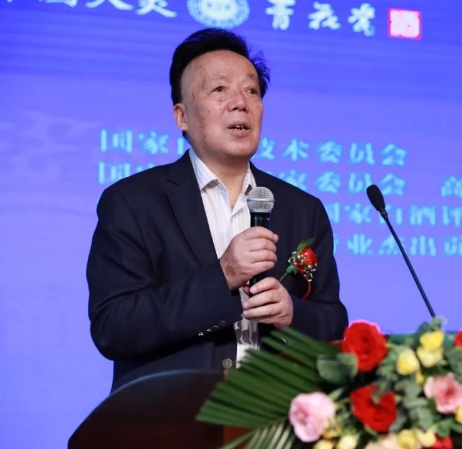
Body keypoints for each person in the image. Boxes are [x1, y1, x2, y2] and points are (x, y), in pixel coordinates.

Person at [86, 28, 349, 392]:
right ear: (182, 116)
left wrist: (292, 314)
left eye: (251, 91)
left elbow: (333, 323)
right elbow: (114, 328)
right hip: (170, 414)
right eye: (219, 89)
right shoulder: (133, 202)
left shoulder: (304, 210)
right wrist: (223, 276)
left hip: (280, 413)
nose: (240, 103)